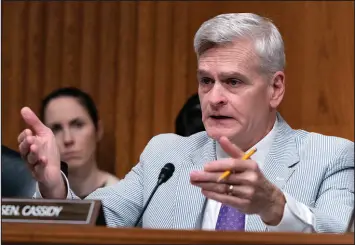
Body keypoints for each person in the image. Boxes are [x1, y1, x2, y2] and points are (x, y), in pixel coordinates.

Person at [17, 13, 353, 233]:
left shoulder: (330, 157)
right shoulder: (166, 155)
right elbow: (96, 225)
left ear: (275, 88)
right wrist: (53, 187)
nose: (214, 97)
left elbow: (340, 236)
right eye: (206, 81)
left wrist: (276, 207)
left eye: (233, 82)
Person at [38, 87, 119, 199]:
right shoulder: (33, 196)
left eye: (78, 125)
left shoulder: (120, 197)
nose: (68, 139)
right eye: (56, 129)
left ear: (98, 130)